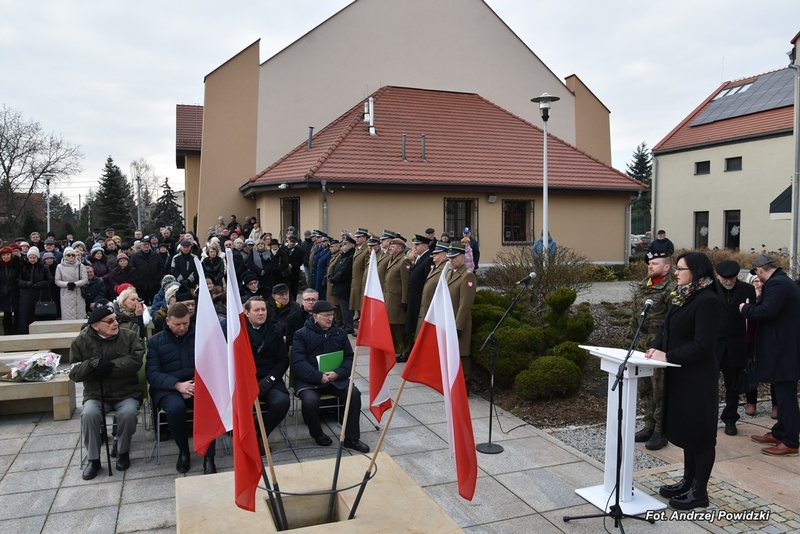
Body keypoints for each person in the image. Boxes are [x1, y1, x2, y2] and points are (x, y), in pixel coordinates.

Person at [646, 251, 723, 510]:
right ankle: (688, 481)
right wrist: (654, 348)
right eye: (677, 268)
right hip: (681, 374)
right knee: (689, 432)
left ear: (697, 273)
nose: (676, 273)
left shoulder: (707, 301)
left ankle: (699, 491)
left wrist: (668, 355)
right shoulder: (684, 296)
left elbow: (703, 345)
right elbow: (667, 330)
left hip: (698, 379)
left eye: (681, 269)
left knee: (700, 436)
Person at [69, 300, 145, 480]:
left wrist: (110, 366)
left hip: (126, 391)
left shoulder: (129, 336)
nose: (115, 323)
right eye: (109, 321)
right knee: (89, 415)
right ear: (95, 326)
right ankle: (94, 459)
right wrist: (92, 365)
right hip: (96, 394)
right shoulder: (81, 341)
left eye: (115, 319)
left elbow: (136, 360)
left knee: (127, 414)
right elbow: (74, 372)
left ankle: (122, 451)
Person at [740, 254, 800, 457]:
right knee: (783, 394)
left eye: (756, 273)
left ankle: (790, 440)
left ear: (760, 270)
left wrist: (746, 308)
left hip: (784, 351)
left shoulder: (777, 284)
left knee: (787, 396)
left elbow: (767, 311)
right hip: (783, 349)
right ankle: (780, 432)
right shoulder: (782, 281)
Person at [147, 303, 217, 474]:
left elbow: (211, 363)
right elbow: (152, 373)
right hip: (168, 388)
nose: (182, 327)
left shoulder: (201, 336)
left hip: (197, 384)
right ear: (168, 321)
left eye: (186, 323)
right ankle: (183, 451)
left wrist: (193, 384)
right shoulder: (155, 342)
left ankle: (209, 457)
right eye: (178, 324)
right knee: (176, 409)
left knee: (208, 405)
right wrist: (177, 385)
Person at [291, 300, 369, 453]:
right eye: (326, 315)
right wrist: (318, 376)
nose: (330, 319)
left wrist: (338, 373)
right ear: (315, 316)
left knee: (354, 393)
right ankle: (318, 434)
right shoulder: (301, 334)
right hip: (310, 380)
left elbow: (349, 357)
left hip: (335, 379)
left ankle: (351, 439)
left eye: (332, 315)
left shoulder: (338, 333)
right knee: (310, 401)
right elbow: (298, 361)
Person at [632, 251, 675, 451]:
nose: (650, 266)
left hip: (658, 346)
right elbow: (635, 316)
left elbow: (672, 320)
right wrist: (629, 342)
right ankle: (649, 425)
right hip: (641, 344)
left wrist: (664, 345)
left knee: (660, 390)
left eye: (655, 263)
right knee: (645, 388)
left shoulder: (671, 288)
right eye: (650, 263)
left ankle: (661, 430)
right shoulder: (644, 285)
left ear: (666, 267)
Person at [712, 260, 756, 436]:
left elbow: (752, 320)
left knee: (733, 387)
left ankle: (730, 419)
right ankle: (707, 418)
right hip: (714, 345)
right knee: (709, 385)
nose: (729, 282)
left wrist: (750, 347)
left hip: (736, 345)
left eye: (732, 278)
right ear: (717, 276)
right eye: (725, 279)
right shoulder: (710, 289)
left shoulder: (747, 290)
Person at [240, 297, 291, 442]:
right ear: (247, 312)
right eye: (256, 310)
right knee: (241, 407)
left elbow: (282, 360)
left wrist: (269, 380)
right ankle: (246, 436)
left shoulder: (275, 330)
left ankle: (260, 437)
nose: (261, 313)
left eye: (264, 309)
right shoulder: (238, 332)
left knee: (282, 402)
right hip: (246, 380)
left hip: (270, 378)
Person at [445, 244, 477, 378]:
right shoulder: (450, 273)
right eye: (449, 257)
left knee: (461, 354)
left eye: (454, 257)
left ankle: (465, 384)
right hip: (449, 319)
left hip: (459, 323)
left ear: (462, 257)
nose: (451, 260)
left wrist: (458, 326)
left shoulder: (467, 276)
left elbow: (465, 304)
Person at [403, 234, 433, 360]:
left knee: (416, 327)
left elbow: (427, 280)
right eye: (414, 244)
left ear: (425, 246)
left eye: (417, 244)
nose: (414, 247)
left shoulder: (428, 259)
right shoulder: (420, 257)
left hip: (419, 299)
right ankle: (410, 353)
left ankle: (414, 354)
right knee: (412, 327)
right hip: (413, 299)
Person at [383, 238, 409, 361]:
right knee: (392, 326)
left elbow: (405, 283)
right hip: (390, 299)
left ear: (400, 249)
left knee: (399, 327)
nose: (390, 248)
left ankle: (403, 351)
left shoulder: (404, 261)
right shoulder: (392, 259)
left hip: (397, 300)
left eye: (392, 247)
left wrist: (404, 300)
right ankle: (397, 350)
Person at [16, 247, 53, 334]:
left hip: (39, 294)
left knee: (38, 316)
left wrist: (39, 284)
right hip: (26, 295)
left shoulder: (43, 267)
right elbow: (17, 280)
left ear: (37, 257)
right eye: (30, 258)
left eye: (34, 257)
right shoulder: (23, 266)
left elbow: (49, 280)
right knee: (24, 317)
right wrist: (26, 284)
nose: (32, 260)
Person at [54, 246, 89, 320]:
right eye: (68, 255)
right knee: (67, 315)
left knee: (80, 315)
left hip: (78, 293)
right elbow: (57, 281)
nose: (71, 256)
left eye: (73, 255)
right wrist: (67, 284)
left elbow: (85, 279)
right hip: (66, 293)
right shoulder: (59, 267)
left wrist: (75, 284)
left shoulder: (81, 266)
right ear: (65, 256)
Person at [330, 235, 355, 334]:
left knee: (345, 307)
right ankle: (345, 324)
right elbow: (336, 267)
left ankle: (349, 326)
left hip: (344, 285)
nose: (343, 246)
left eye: (345, 244)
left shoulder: (350, 256)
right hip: (339, 285)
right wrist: (332, 276)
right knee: (342, 307)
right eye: (343, 244)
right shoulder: (343, 255)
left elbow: (344, 271)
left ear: (351, 245)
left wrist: (334, 278)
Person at [0, 246, 20, 335]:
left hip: (15, 292)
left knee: (17, 314)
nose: (6, 257)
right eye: (4, 255)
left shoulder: (16, 264)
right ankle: (7, 334)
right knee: (7, 315)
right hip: (4, 294)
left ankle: (17, 333)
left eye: (8, 254)